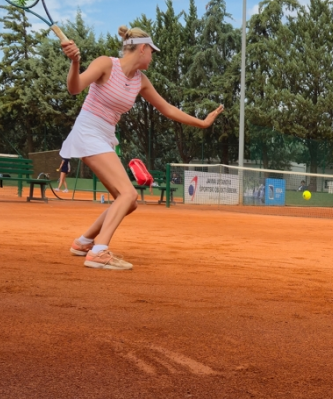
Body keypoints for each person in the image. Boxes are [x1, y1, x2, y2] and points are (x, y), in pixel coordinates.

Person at [60, 27, 223, 270]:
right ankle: (99, 251)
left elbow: (167, 109)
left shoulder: (140, 80)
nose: (152, 57)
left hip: (105, 136)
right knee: (128, 194)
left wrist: (202, 122)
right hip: (88, 131)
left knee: (128, 201)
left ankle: (83, 242)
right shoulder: (106, 64)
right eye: (152, 52)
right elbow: (74, 88)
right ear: (143, 48)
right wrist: (75, 62)